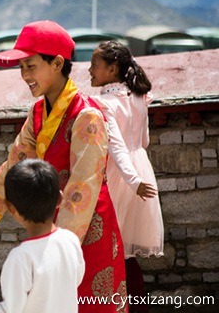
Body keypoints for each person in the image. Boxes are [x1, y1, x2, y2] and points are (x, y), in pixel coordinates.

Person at [0, 20, 127, 312]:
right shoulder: (37, 112)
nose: (24, 76)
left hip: (87, 231)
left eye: (30, 66)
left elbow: (82, 187)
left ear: (57, 63)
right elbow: (13, 168)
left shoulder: (86, 116)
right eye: (21, 68)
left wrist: (59, 250)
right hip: (52, 232)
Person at [89, 40, 164, 312]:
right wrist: (137, 176)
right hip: (141, 169)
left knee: (111, 249)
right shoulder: (140, 97)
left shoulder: (101, 102)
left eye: (94, 64)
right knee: (126, 253)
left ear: (112, 67)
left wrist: (131, 180)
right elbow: (142, 141)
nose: (89, 70)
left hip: (119, 176)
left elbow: (115, 146)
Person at [0, 158, 85, 313]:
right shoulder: (71, 241)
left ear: (10, 208)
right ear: (59, 199)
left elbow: (10, 310)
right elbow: (76, 280)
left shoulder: (21, 257)